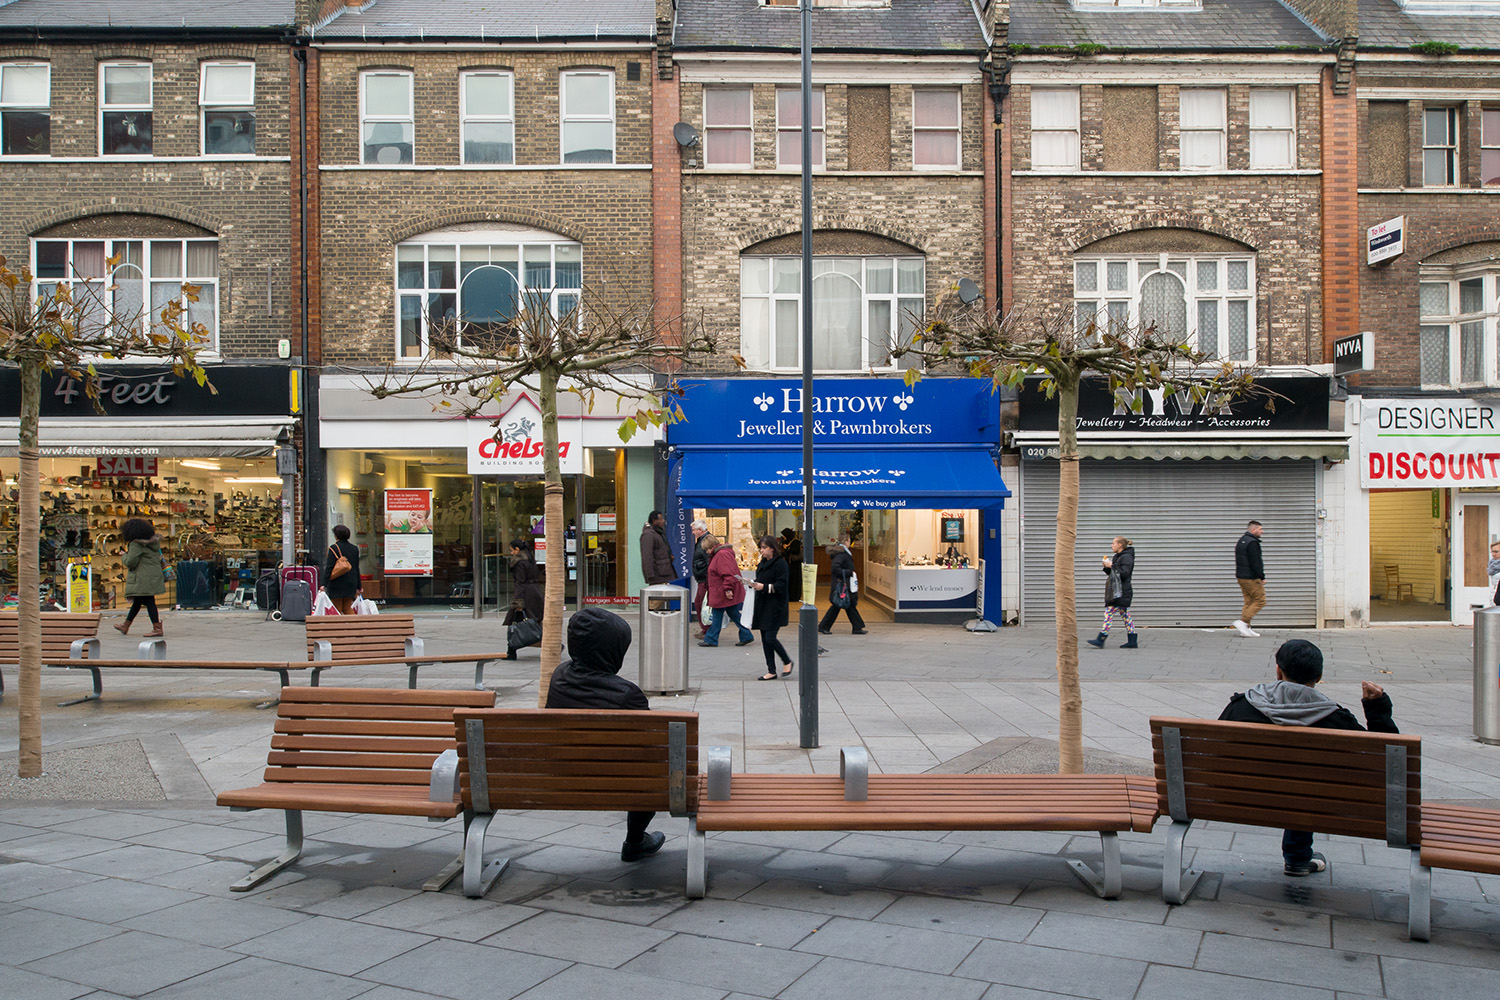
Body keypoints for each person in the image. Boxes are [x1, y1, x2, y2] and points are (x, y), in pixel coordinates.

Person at [1219, 638, 1397, 877]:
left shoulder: (1241, 707)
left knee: (1294, 780)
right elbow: (1387, 761)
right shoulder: (1337, 720)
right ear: (1319, 675)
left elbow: (1217, 751)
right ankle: (1298, 856)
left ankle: (1298, 855)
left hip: (1239, 799)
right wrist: (1377, 708)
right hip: (1315, 802)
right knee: (1306, 786)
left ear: (1278, 670)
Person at [545, 607, 665, 863]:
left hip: (560, 779)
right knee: (653, 770)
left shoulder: (558, 677)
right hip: (618, 784)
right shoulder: (627, 695)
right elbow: (652, 749)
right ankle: (634, 840)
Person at [749, 534, 793, 680]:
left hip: (775, 606)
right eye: (761, 547)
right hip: (763, 605)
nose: (761, 550)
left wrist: (764, 587)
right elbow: (761, 580)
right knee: (765, 639)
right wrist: (753, 583)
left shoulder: (780, 564)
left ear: (773, 549)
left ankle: (787, 661)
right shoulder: (762, 563)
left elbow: (782, 585)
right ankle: (771, 670)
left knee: (770, 638)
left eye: (764, 548)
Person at [699, 534, 755, 648]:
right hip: (723, 590)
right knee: (733, 614)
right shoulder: (723, 553)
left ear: (711, 547)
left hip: (722, 591)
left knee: (717, 614)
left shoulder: (721, 555)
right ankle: (746, 635)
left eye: (707, 550)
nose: (707, 552)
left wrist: (728, 589)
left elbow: (727, 574)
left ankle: (711, 639)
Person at [113, 517, 165, 637]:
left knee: (148, 601)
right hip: (152, 575)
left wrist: (124, 555)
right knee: (139, 601)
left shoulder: (136, 544)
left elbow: (131, 562)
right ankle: (125, 625)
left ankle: (157, 628)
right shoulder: (153, 542)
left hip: (143, 577)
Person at [1086, 536, 1137, 649]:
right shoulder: (1118, 557)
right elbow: (1114, 574)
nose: (1111, 545)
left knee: (1109, 613)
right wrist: (1107, 567)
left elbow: (1124, 574)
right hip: (1118, 591)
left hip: (1121, 592)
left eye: (1113, 543)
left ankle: (1101, 639)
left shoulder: (1127, 557)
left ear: (1120, 545)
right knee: (1126, 615)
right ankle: (1132, 640)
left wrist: (1112, 565)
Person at [502, 538, 543, 660]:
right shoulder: (530, 559)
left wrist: (518, 600)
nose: (511, 553)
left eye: (512, 550)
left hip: (525, 594)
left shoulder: (519, 562)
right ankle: (511, 650)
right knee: (533, 621)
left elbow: (520, 582)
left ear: (517, 549)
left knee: (514, 621)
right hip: (534, 592)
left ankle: (511, 651)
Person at [818, 536, 867, 635]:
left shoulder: (843, 553)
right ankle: (824, 626)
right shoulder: (842, 554)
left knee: (849, 604)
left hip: (844, 583)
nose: (850, 543)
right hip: (843, 583)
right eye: (849, 541)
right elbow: (835, 568)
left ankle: (857, 627)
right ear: (845, 542)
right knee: (840, 604)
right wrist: (848, 572)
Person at [1233, 519, 1265, 637]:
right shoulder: (1252, 543)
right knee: (1260, 600)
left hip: (1241, 576)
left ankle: (1246, 628)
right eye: (1260, 529)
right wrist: (1261, 576)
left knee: (1249, 601)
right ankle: (1243, 622)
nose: (1262, 532)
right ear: (1253, 529)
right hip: (1251, 577)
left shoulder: (1242, 540)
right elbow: (1256, 562)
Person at [321, 523, 361, 615]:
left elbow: (329, 568)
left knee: (336, 609)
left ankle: (338, 628)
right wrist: (359, 585)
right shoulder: (354, 548)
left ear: (336, 536)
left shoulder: (333, 548)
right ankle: (355, 626)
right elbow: (356, 568)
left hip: (337, 583)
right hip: (351, 582)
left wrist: (323, 584)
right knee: (347, 608)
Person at [640, 509, 673, 585]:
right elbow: (647, 556)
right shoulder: (649, 534)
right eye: (660, 519)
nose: (663, 521)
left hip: (663, 572)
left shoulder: (658, 532)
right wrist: (650, 575)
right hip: (658, 574)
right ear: (654, 520)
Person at [690, 519, 711, 637]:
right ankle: (706, 629)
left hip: (705, 579)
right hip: (702, 578)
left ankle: (707, 629)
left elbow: (709, 561)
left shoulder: (706, 541)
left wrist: (708, 578)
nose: (692, 532)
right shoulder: (702, 541)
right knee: (699, 602)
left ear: (699, 530)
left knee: (701, 603)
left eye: (693, 530)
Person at [781, 527, 804, 604]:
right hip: (789, 564)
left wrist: (787, 548)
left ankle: (795, 596)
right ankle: (790, 595)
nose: (783, 537)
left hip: (795, 565)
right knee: (790, 580)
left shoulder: (795, 542)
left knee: (795, 580)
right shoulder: (787, 541)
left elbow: (796, 551)